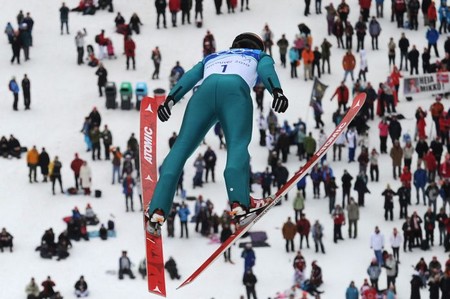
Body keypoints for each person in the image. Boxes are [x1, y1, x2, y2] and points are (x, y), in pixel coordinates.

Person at [146, 33, 288, 235]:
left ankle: (157, 210)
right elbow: (266, 70)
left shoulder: (213, 56)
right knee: (237, 145)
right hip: (234, 92)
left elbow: (190, 76)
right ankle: (240, 204)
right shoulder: (258, 55)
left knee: (181, 147)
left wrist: (170, 100)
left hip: (203, 93)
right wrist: (277, 92)